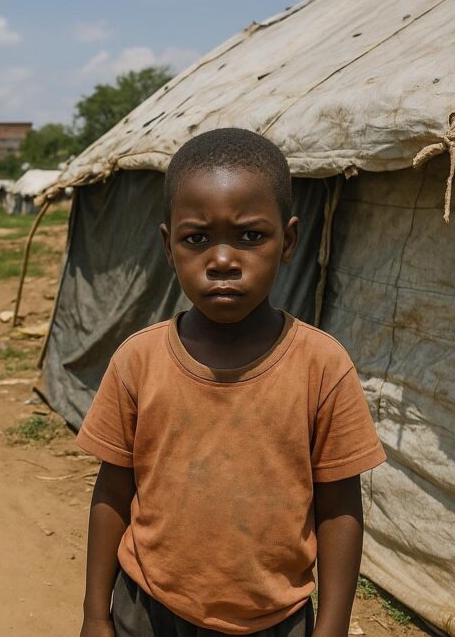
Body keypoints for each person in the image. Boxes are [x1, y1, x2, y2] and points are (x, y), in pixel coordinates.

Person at [76, 128, 386, 637]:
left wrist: (331, 630)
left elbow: (339, 508)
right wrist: (95, 615)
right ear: (167, 245)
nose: (222, 260)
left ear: (287, 242)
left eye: (250, 235)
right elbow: (113, 489)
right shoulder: (139, 360)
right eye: (197, 238)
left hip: (274, 620)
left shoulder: (322, 366)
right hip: (147, 608)